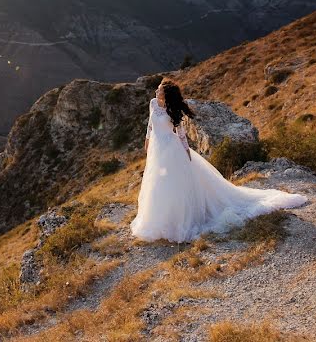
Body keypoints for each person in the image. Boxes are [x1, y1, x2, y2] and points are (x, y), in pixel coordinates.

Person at [130, 78, 306, 243]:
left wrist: (186, 152)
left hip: (171, 149)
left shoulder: (172, 109)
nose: (156, 90)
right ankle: (160, 217)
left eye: (159, 89)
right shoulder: (153, 103)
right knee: (158, 183)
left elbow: (181, 134)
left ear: (165, 94)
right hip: (156, 149)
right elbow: (150, 126)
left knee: (174, 184)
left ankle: (178, 219)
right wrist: (147, 143)